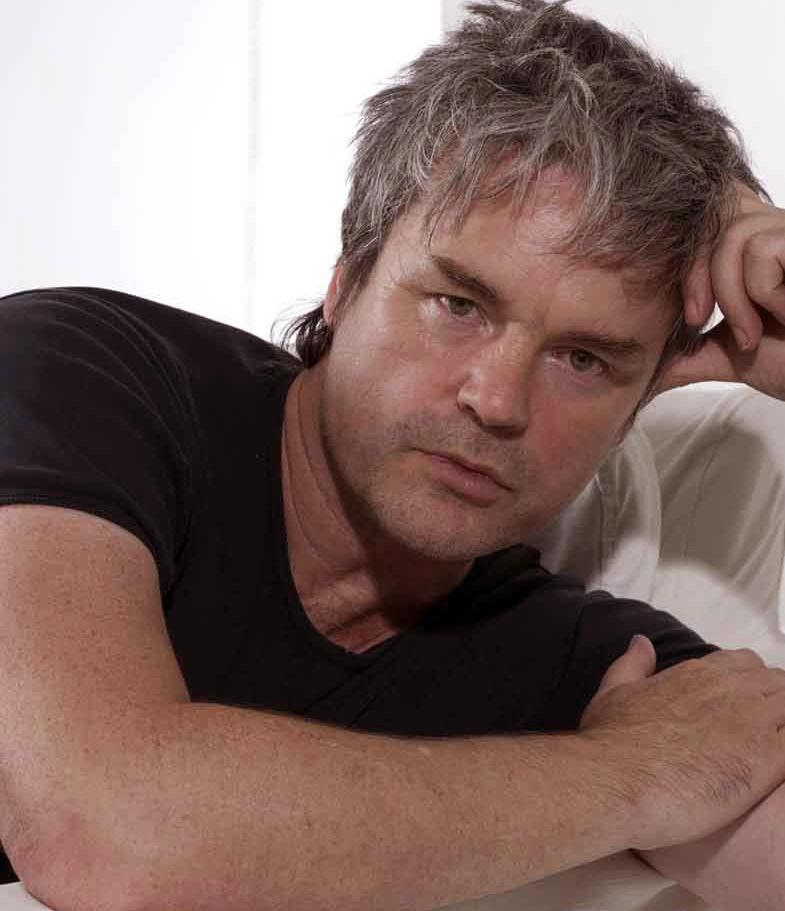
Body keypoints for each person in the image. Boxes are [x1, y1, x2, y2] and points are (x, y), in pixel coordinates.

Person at [1, 1, 785, 908]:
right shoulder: (75, 375)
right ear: (345, 282)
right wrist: (630, 776)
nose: (496, 400)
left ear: (636, 407)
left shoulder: (593, 668)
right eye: (458, 304)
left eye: (582, 359)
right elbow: (99, 829)